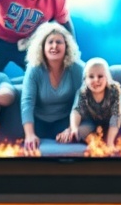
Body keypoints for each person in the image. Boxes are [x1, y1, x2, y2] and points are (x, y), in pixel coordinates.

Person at [20, 22, 84, 154]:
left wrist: (72, 128)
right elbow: (27, 102)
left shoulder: (77, 68)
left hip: (65, 121)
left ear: (66, 46)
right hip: (39, 123)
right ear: (42, 47)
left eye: (59, 42)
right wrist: (30, 134)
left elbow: (81, 100)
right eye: (50, 42)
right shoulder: (33, 69)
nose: (54, 46)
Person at [60, 56, 121, 152]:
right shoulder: (83, 91)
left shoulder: (114, 90)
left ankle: (107, 140)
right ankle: (93, 140)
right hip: (92, 122)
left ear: (107, 78)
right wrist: (73, 128)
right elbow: (76, 111)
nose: (96, 80)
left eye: (100, 76)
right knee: (76, 134)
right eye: (91, 76)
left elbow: (116, 116)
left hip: (112, 122)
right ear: (85, 79)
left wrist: (110, 142)